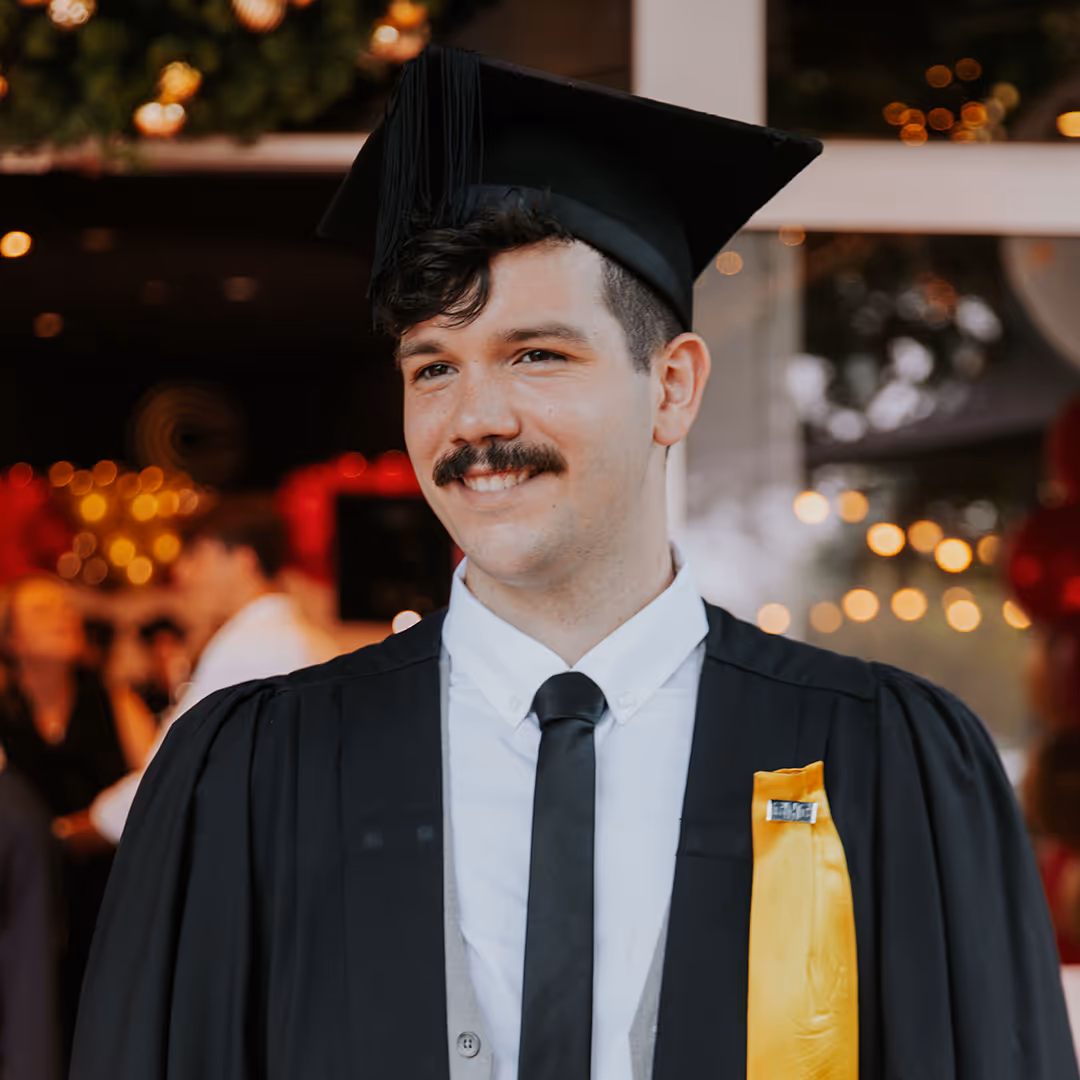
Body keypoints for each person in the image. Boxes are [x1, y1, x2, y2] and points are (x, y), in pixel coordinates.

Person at [73, 47, 1078, 1080]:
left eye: (536, 354)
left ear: (673, 388)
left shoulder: (884, 760)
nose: (477, 420)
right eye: (434, 368)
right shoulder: (255, 771)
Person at [83, 495, 337, 846]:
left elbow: (175, 772)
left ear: (243, 560)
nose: (182, 573)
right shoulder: (298, 636)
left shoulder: (257, 644)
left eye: (196, 557)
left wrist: (76, 831)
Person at [0, 574, 155, 1061]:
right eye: (43, 612)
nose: (65, 619)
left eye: (67, 610)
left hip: (106, 902)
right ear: (12, 640)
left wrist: (77, 834)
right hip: (21, 909)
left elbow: (155, 793)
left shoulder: (115, 700)